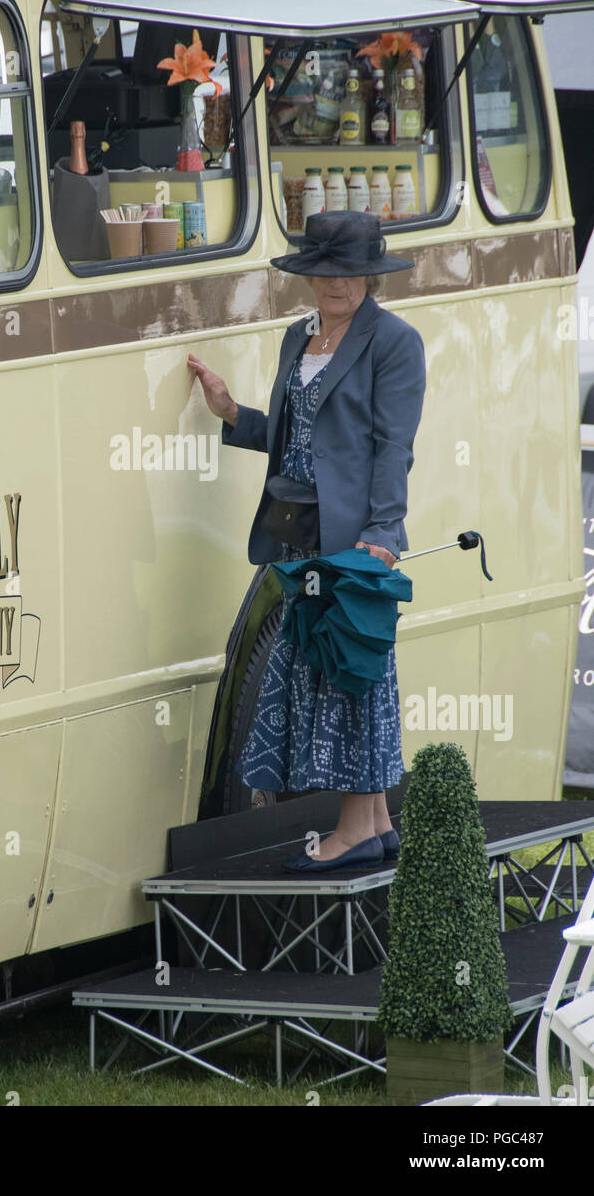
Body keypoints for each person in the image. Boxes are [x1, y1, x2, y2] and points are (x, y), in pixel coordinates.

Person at [188, 210, 426, 872]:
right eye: (323, 272)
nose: (335, 284)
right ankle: (374, 821)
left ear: (371, 276)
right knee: (332, 671)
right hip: (299, 541)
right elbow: (297, 437)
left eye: (348, 273)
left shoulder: (394, 342)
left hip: (351, 541)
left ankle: (351, 829)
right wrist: (233, 414)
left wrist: (381, 533)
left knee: (350, 672)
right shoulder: (299, 337)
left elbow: (392, 447)